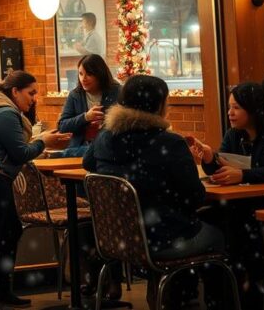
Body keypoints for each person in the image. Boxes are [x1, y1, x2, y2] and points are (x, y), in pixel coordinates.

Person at [84, 75, 225, 308]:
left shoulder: (105, 138)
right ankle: (209, 302)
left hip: (120, 238)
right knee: (221, 231)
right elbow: (195, 197)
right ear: (160, 104)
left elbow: (89, 163)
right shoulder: (168, 143)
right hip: (163, 239)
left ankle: (175, 294)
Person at [0, 71, 71, 310]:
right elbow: (20, 153)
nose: (34, 98)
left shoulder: (4, 111)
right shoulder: (5, 113)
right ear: (15, 91)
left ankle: (2, 291)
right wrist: (44, 141)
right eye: (31, 93)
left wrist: (41, 142)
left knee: (10, 231)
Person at [192, 82, 264, 306]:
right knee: (207, 221)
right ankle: (227, 292)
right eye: (229, 107)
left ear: (254, 108)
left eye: (237, 107)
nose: (230, 112)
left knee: (235, 230)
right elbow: (222, 166)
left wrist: (244, 175)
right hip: (238, 205)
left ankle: (247, 290)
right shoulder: (234, 134)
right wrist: (210, 158)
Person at [56, 54, 120, 156]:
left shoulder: (117, 91)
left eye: (89, 74)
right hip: (80, 147)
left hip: (108, 146)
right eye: (81, 74)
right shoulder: (75, 95)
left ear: (100, 74)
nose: (83, 79)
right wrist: (85, 117)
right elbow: (62, 126)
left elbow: (125, 123)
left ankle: (62, 154)